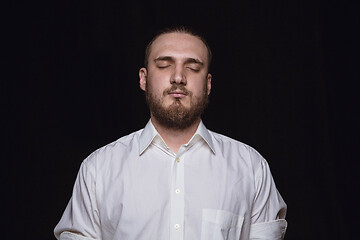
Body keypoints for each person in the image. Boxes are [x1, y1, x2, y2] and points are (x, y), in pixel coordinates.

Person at [54, 26, 287, 240]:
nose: (178, 77)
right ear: (143, 79)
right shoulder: (98, 170)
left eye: (193, 67)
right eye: (164, 65)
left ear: (208, 84)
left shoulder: (251, 168)